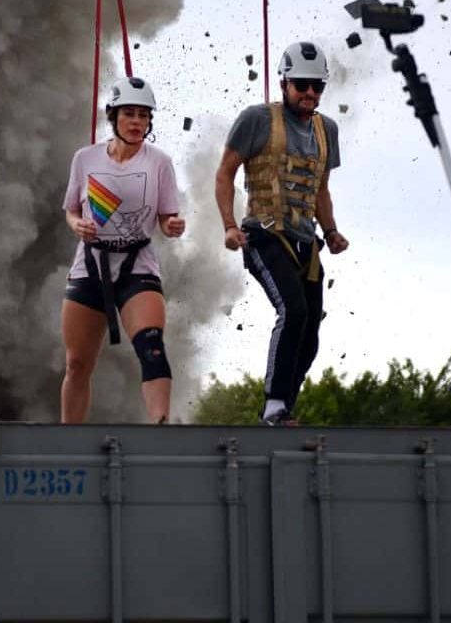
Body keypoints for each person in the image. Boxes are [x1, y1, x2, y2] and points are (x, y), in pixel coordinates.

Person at [214, 41, 349, 426]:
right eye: (302, 85)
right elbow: (225, 172)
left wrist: (332, 231)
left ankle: (285, 407)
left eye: (317, 86)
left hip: (307, 243)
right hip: (264, 234)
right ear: (284, 82)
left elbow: (320, 189)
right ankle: (274, 406)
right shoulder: (257, 119)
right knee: (293, 309)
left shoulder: (327, 131)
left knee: (310, 328)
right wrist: (228, 225)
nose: (310, 93)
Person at [61, 76, 186, 424]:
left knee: (152, 345)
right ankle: (69, 436)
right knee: (77, 363)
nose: (137, 122)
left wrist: (172, 226)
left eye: (144, 115)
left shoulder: (159, 162)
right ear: (112, 116)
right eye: (129, 114)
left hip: (138, 264)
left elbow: (166, 217)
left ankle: (162, 426)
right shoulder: (85, 159)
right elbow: (71, 210)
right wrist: (77, 225)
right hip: (91, 265)